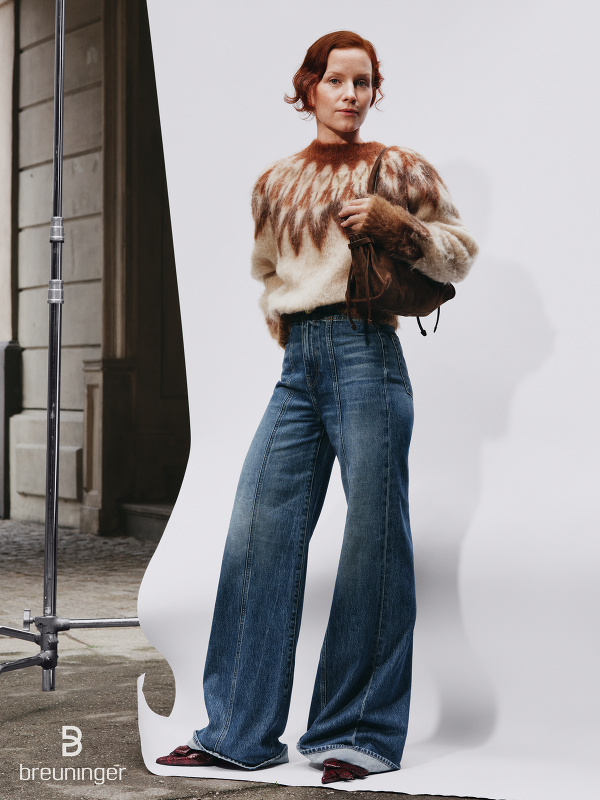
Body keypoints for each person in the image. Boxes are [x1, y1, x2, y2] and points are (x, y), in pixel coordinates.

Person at [157, 30, 477, 785]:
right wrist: (292, 331)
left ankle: (356, 732)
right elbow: (269, 273)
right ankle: (239, 730)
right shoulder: (275, 182)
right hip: (299, 367)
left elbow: (458, 252)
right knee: (258, 531)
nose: (351, 94)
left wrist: (397, 226)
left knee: (373, 541)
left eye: (364, 83)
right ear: (309, 87)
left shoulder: (398, 168)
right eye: (336, 80)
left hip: (369, 355)